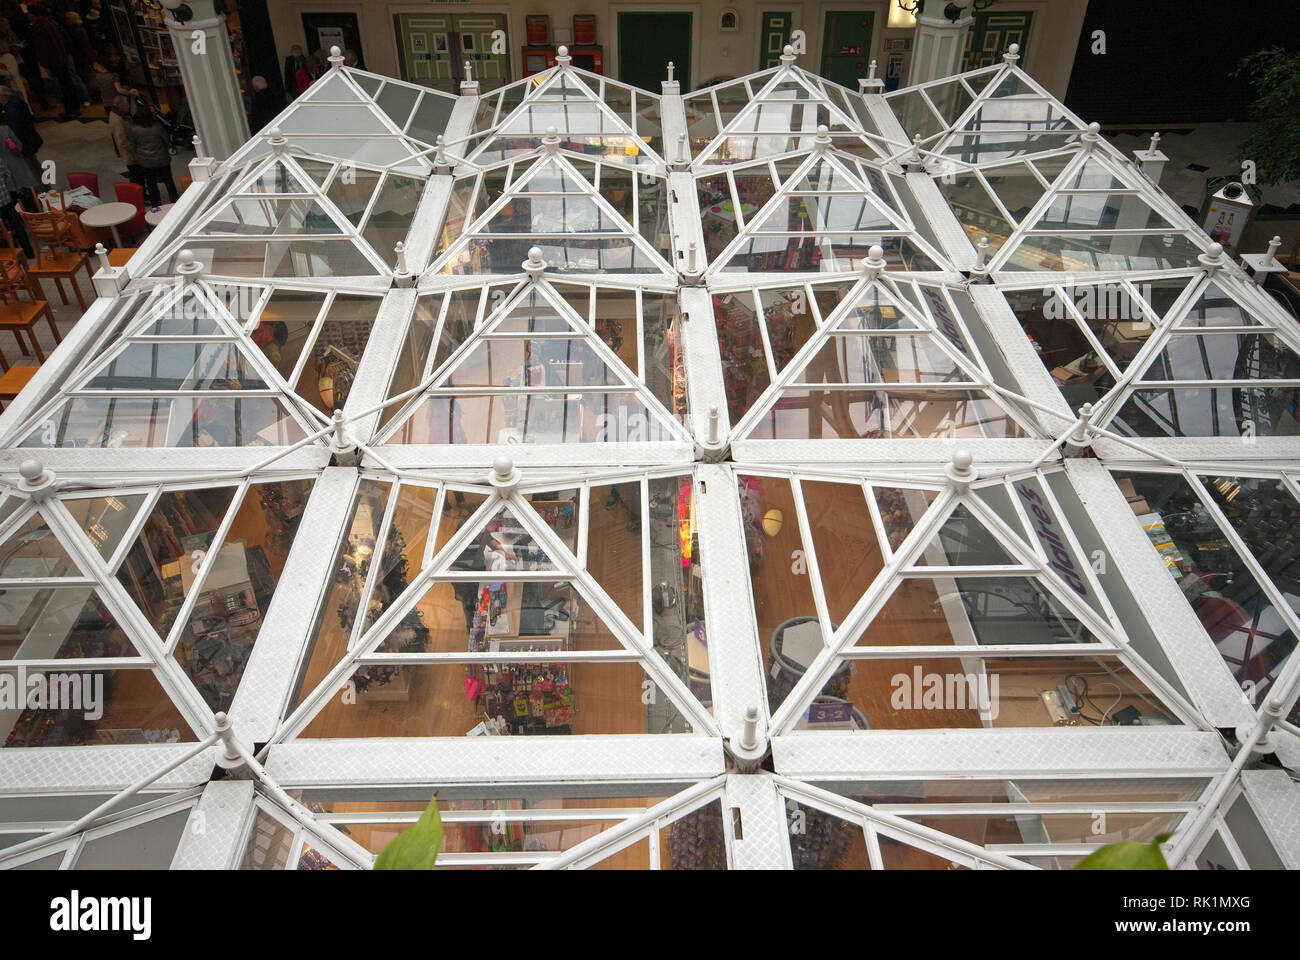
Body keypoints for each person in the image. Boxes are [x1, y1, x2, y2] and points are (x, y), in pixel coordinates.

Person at [28, 4, 80, 118]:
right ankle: (74, 107)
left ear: (33, 15)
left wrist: (44, 63)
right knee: (68, 83)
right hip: (61, 56)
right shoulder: (49, 23)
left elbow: (43, 48)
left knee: (64, 85)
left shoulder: (40, 27)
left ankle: (70, 109)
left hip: (55, 59)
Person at [126, 105, 176, 207]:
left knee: (151, 184)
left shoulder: (134, 129)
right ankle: (175, 201)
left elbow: (132, 145)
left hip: (145, 162)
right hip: (162, 159)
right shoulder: (158, 127)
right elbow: (166, 141)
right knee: (169, 182)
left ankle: (156, 206)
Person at [0, 84, 41, 182]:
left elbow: (14, 130)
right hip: (28, 142)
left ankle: (41, 193)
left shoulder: (13, 109)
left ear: (3, 96)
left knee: (32, 170)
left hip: (23, 145)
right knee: (34, 166)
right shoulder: (14, 103)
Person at [108, 95, 140, 184]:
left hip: (129, 151)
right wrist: (134, 150)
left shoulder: (116, 113)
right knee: (136, 176)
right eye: (127, 105)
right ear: (121, 106)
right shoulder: (118, 120)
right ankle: (140, 195)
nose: (128, 106)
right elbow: (122, 140)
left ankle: (140, 194)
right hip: (130, 154)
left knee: (136, 176)